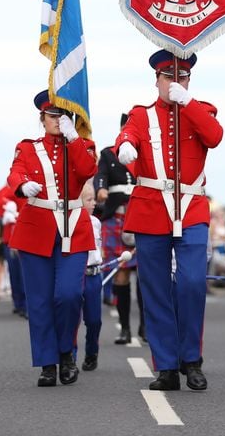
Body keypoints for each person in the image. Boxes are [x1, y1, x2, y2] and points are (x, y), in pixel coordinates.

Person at [115, 50, 223, 391]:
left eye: (182, 77)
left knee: (192, 282)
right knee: (156, 289)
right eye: (168, 77)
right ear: (157, 80)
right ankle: (165, 366)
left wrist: (187, 102)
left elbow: (215, 137)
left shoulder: (201, 110)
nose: (174, 82)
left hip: (190, 207)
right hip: (150, 208)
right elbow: (127, 134)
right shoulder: (140, 114)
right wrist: (125, 148)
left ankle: (191, 359)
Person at [7, 90, 97, 387]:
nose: (58, 121)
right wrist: (23, 185)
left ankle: (66, 353)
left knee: (69, 295)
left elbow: (86, 170)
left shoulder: (83, 145)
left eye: (64, 115)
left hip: (73, 227)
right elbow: (15, 173)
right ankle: (48, 362)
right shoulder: (28, 147)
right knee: (41, 301)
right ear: (42, 119)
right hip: (36, 229)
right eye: (53, 116)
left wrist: (74, 139)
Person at [94, 114, 143, 343]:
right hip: (117, 217)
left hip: (144, 217)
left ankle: (146, 327)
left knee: (147, 275)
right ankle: (125, 328)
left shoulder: (148, 152)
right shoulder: (108, 153)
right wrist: (101, 190)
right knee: (121, 274)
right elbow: (100, 177)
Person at [0, 184, 26, 317]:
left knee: (24, 273)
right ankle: (18, 303)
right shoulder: (12, 188)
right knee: (14, 272)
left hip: (25, 237)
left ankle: (26, 305)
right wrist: (8, 204)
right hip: (9, 239)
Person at [78, 181, 102, 371]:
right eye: (89, 200)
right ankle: (70, 356)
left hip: (94, 276)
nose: (94, 203)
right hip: (78, 276)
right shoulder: (71, 222)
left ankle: (92, 352)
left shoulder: (97, 222)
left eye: (94, 199)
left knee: (94, 320)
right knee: (71, 319)